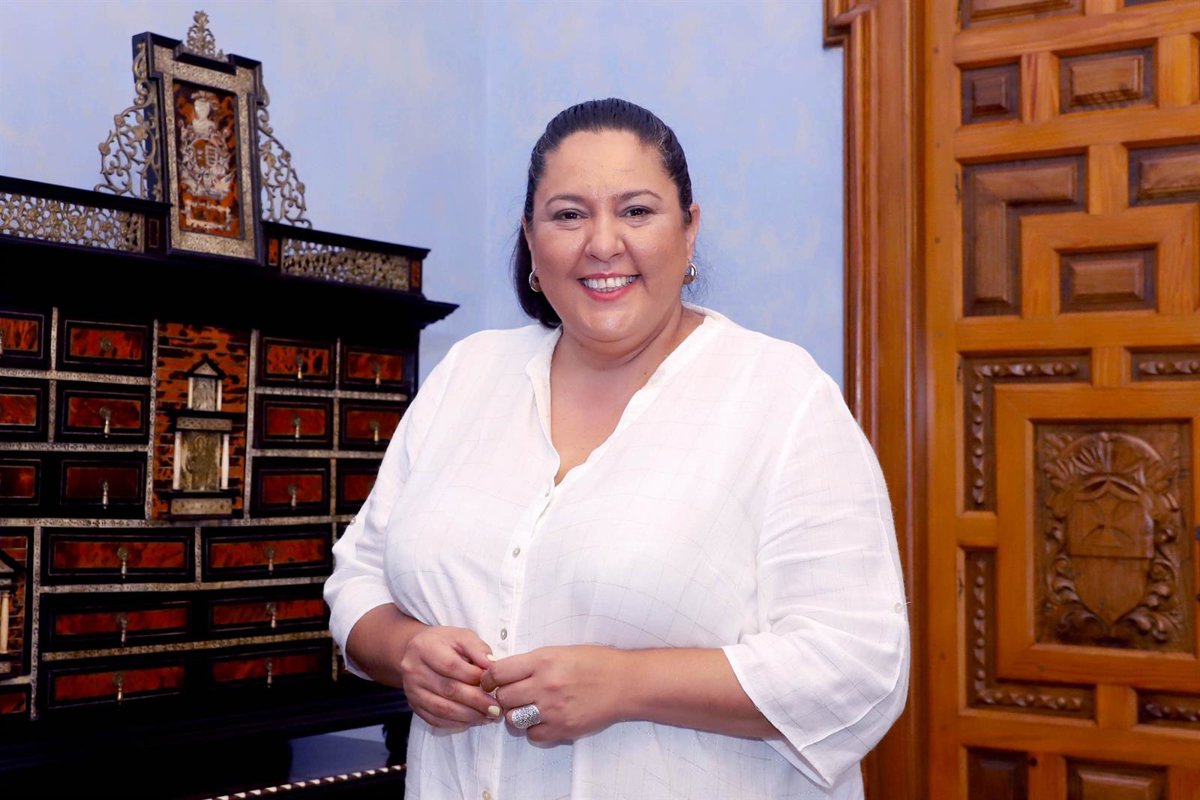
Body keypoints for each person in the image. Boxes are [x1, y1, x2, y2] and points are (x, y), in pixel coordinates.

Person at [324, 98, 909, 799]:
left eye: (636, 211)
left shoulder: (780, 398)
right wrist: (406, 652)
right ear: (531, 239)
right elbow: (358, 578)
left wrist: (626, 684)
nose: (602, 243)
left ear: (689, 229)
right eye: (569, 215)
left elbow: (858, 664)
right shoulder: (468, 376)